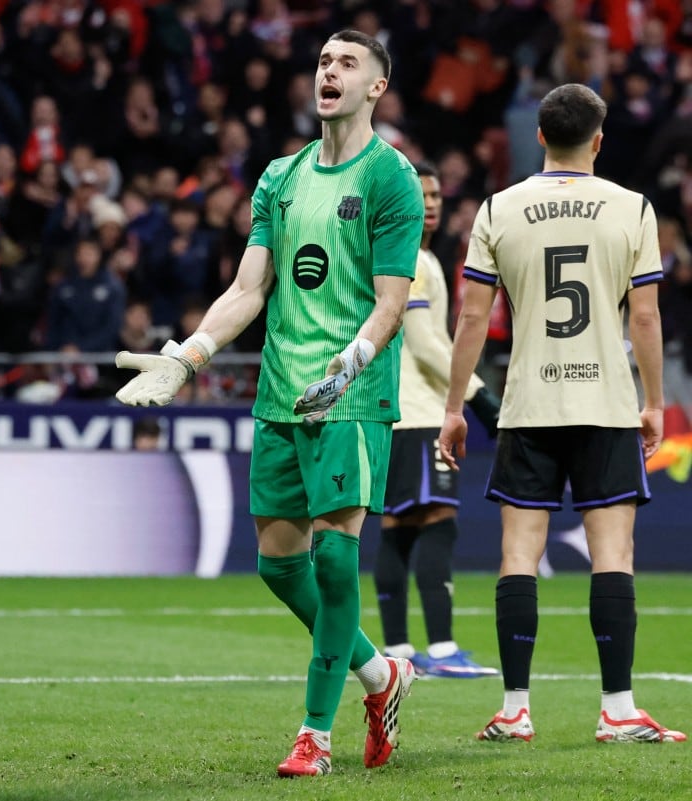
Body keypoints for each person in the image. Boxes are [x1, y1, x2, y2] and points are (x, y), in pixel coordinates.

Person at [115, 30, 422, 777]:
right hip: (281, 394)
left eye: (348, 63)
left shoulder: (392, 179)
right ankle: (381, 674)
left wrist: (349, 366)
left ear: (376, 87)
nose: (330, 71)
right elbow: (249, 288)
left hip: (349, 399)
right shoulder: (279, 177)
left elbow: (391, 303)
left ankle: (314, 735)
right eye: (323, 60)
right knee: (280, 566)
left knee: (334, 560)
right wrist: (187, 356)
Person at [439, 83, 686, 745]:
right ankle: (618, 708)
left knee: (518, 553)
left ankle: (514, 707)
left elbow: (471, 316)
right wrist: (655, 401)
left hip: (529, 403)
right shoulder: (631, 208)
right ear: (598, 140)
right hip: (605, 403)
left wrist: (455, 406)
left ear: (540, 136)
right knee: (614, 554)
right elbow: (644, 314)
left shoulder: (499, 207)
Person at [373, 162, 500, 679]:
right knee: (436, 524)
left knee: (398, 528)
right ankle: (443, 651)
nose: (429, 204)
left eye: (435, 197)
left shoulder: (391, 253)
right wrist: (478, 396)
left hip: (388, 412)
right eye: (419, 195)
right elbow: (425, 341)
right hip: (422, 412)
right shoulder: (415, 260)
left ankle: (400, 651)